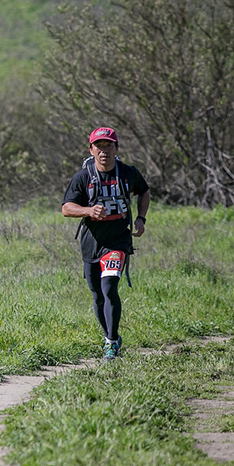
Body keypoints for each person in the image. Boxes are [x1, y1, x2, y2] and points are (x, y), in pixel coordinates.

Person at [61, 127, 150, 361]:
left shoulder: (128, 174)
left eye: (109, 146)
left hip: (117, 241)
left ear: (116, 148)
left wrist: (140, 219)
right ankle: (111, 336)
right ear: (91, 150)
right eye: (99, 146)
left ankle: (111, 344)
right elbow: (66, 208)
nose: (104, 151)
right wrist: (89, 210)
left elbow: (144, 191)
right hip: (91, 242)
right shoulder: (82, 177)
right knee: (97, 295)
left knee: (110, 287)